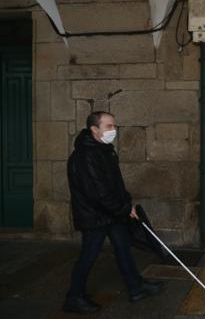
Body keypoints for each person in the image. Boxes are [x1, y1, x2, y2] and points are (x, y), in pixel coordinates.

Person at [63, 111, 164, 314]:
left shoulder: (104, 150)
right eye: (109, 126)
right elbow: (98, 194)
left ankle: (136, 287)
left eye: (114, 126)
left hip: (111, 213)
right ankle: (74, 297)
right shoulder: (85, 156)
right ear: (94, 129)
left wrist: (128, 204)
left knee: (123, 247)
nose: (114, 130)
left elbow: (115, 184)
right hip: (95, 216)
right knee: (89, 255)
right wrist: (124, 209)